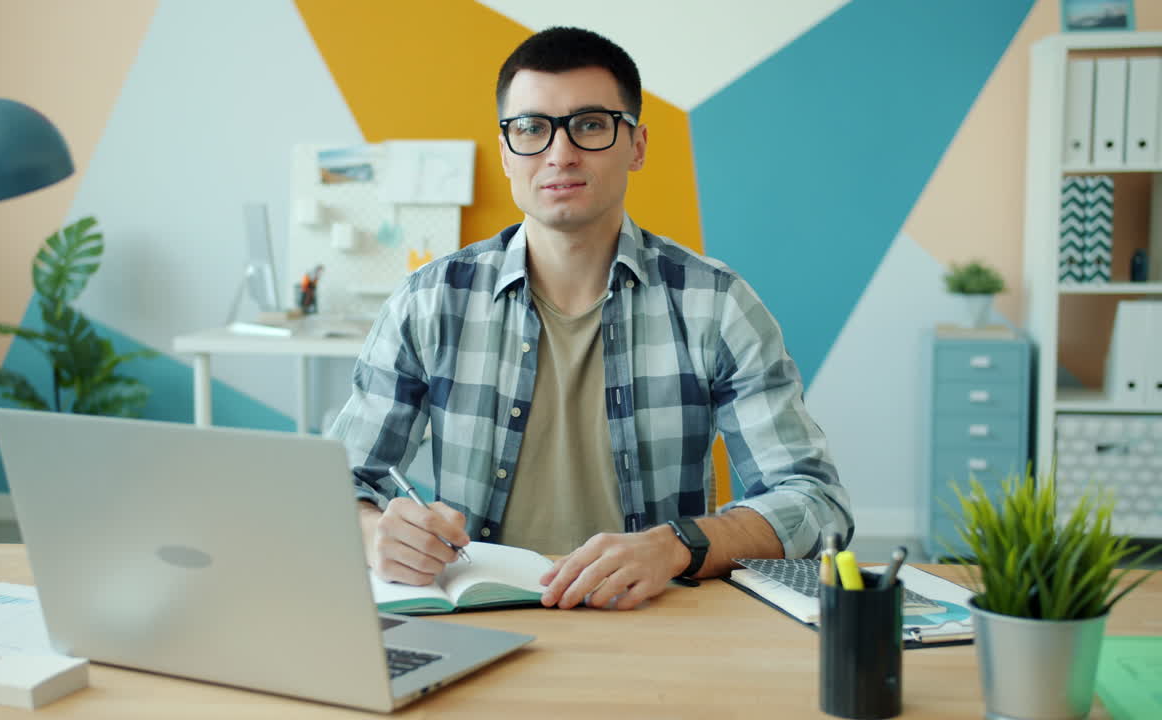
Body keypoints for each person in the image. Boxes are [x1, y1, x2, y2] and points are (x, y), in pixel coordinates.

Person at [329, 26, 852, 611]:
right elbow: (331, 489)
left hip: (654, 622)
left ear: (638, 145)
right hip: (478, 621)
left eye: (591, 124)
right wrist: (379, 536)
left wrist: (677, 545)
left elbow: (814, 501)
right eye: (530, 128)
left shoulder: (715, 303)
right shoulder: (429, 301)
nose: (559, 154)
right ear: (505, 151)